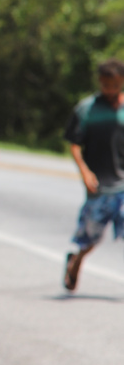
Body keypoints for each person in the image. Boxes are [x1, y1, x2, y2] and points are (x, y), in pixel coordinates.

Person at [63, 57, 124, 292]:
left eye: (116, 85)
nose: (111, 89)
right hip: (99, 185)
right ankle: (76, 260)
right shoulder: (86, 109)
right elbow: (75, 144)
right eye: (106, 84)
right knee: (91, 237)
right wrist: (85, 172)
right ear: (100, 81)